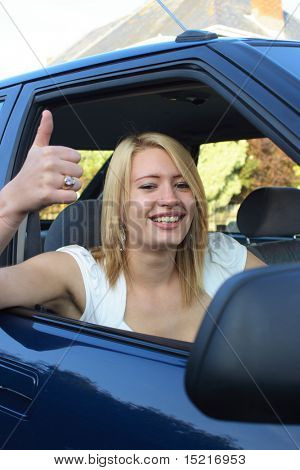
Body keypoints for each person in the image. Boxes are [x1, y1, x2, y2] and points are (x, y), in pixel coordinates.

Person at [0, 111, 265, 342]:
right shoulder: (81, 274)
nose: (170, 199)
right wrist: (10, 206)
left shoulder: (222, 255)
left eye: (182, 184)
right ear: (119, 204)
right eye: (149, 186)